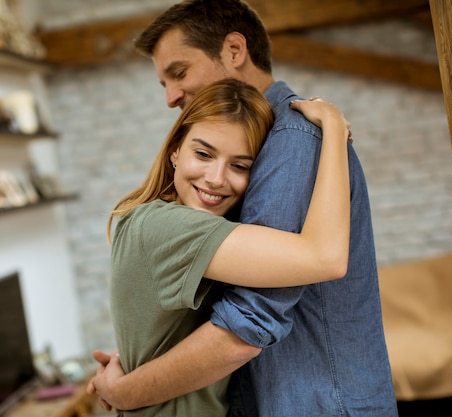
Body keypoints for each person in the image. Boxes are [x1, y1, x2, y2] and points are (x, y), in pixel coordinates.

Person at [89, 0, 399, 416]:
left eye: (179, 73)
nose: (170, 97)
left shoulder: (292, 139)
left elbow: (251, 319)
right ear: (178, 152)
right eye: (204, 153)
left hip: (318, 404)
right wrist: (142, 350)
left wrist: (128, 393)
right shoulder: (265, 141)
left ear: (235, 51)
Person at [98, 77, 351, 416]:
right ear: (175, 150)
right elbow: (327, 257)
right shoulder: (162, 226)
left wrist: (124, 373)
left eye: (240, 166)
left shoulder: (166, 223)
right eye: (203, 154)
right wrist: (333, 127)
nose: (216, 178)